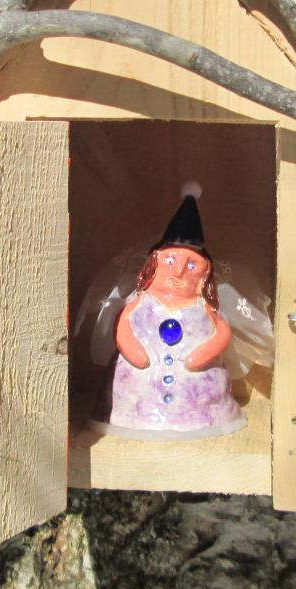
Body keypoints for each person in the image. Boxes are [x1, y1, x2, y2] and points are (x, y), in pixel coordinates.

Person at [92, 186, 245, 439]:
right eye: (171, 261)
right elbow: (122, 325)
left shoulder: (204, 308)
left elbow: (222, 331)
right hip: (133, 403)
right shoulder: (139, 302)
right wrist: (133, 350)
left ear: (204, 275)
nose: (179, 272)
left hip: (200, 403)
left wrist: (202, 355)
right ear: (153, 264)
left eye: (192, 264)